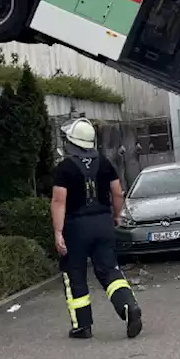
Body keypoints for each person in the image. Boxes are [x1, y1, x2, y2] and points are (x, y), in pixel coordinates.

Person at [51, 117, 143, 340]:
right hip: (103, 223)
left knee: (75, 274)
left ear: (71, 142)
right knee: (110, 270)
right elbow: (118, 193)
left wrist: (58, 232)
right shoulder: (104, 163)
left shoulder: (64, 168)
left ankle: (83, 326)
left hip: (75, 227)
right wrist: (115, 216)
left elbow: (59, 201)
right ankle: (128, 306)